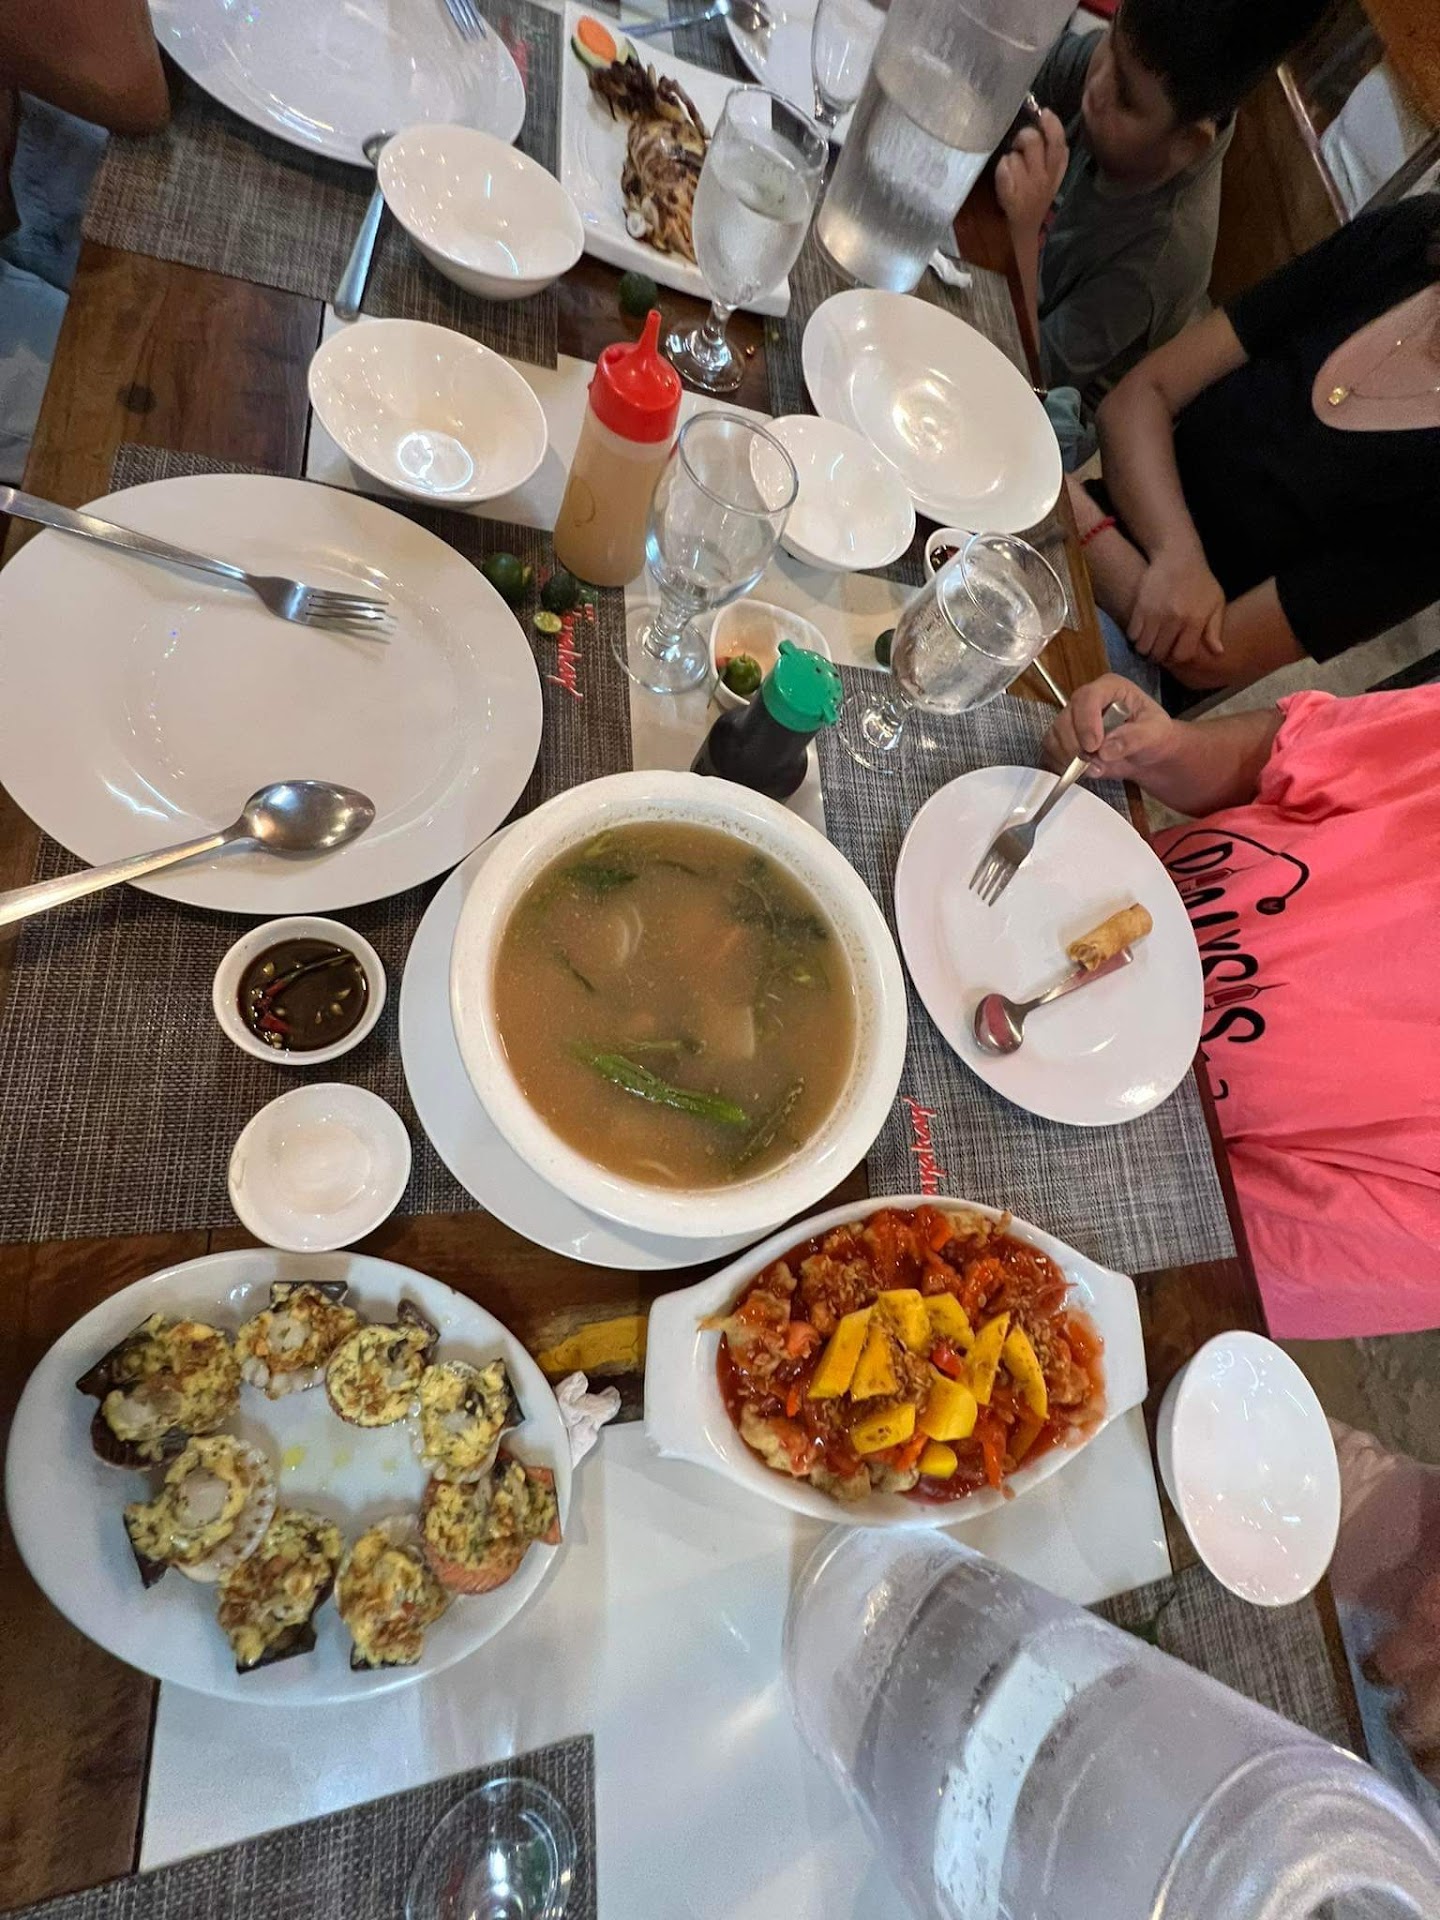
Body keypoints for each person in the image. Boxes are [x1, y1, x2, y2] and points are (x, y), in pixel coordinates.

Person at [1044, 674, 1440, 1341]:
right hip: (1058, 874)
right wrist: (1164, 749)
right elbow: (1276, 760)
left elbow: (1185, 1258)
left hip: (1061, 1140)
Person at [1076, 193, 1440, 698]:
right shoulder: (1410, 238)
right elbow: (1140, 397)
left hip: (1127, 672)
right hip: (1089, 533)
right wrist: (1177, 552)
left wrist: (1075, 520)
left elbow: (1208, 656)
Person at [996, 0, 1327, 421]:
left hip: (1036, 402)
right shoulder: (1133, 64)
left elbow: (1026, 375)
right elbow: (1006, 89)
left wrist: (1022, 233)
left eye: (1126, 99)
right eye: (1111, 36)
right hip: (1002, 284)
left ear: (1188, 143)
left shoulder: (1163, 258)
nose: (1097, 86)